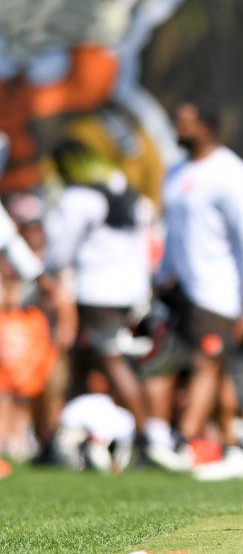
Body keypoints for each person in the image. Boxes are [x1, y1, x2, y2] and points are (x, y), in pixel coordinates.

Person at [146, 102, 243, 481]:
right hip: (184, 289)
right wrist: (164, 272)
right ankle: (234, 449)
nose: (177, 129)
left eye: (184, 124)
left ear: (206, 129)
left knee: (206, 364)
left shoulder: (231, 174)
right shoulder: (175, 172)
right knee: (215, 370)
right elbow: (173, 230)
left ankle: (183, 442)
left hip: (220, 291)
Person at [47, 140, 153, 443]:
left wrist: (47, 275)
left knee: (111, 362)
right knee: (88, 362)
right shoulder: (126, 190)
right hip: (132, 291)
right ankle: (64, 435)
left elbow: (60, 250)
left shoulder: (78, 196)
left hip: (96, 291)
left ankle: (144, 436)